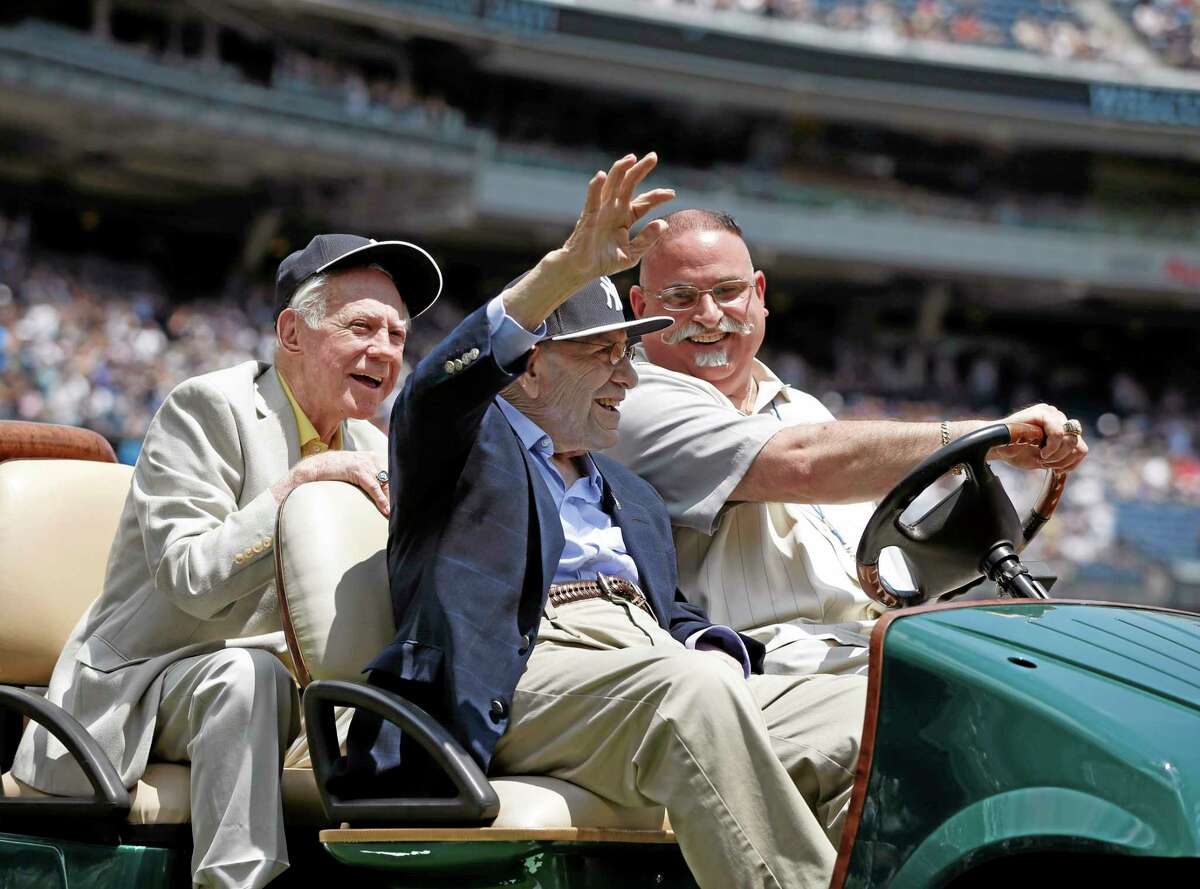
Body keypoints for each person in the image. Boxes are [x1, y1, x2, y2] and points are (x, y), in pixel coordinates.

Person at [346, 155, 868, 889]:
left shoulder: (630, 490)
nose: (628, 374)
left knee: (863, 714)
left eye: (627, 352)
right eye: (602, 353)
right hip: (523, 671)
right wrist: (565, 269)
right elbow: (438, 385)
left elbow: (676, 615)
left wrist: (713, 646)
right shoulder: (463, 446)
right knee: (690, 694)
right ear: (528, 369)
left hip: (649, 666)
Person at [12, 233, 442, 889]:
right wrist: (299, 484)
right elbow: (191, 577)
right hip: (151, 683)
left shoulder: (378, 449)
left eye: (397, 334)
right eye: (362, 327)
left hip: (300, 695)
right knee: (247, 677)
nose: (384, 350)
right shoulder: (209, 408)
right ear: (292, 332)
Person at [610, 208, 1090, 676]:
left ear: (758, 294)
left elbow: (882, 562)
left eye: (728, 290)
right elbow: (801, 465)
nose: (710, 314)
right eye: (680, 297)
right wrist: (982, 440)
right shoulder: (630, 399)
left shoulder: (801, 408)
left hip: (872, 646)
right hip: (764, 667)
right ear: (639, 307)